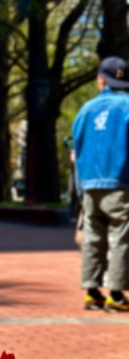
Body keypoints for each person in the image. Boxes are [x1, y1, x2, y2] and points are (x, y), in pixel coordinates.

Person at [72, 56, 129, 313]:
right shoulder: (127, 105)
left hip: (90, 184)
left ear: (100, 80)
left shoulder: (85, 110)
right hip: (120, 181)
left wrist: (80, 188)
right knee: (121, 235)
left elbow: (77, 148)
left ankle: (92, 291)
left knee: (94, 236)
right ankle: (116, 294)